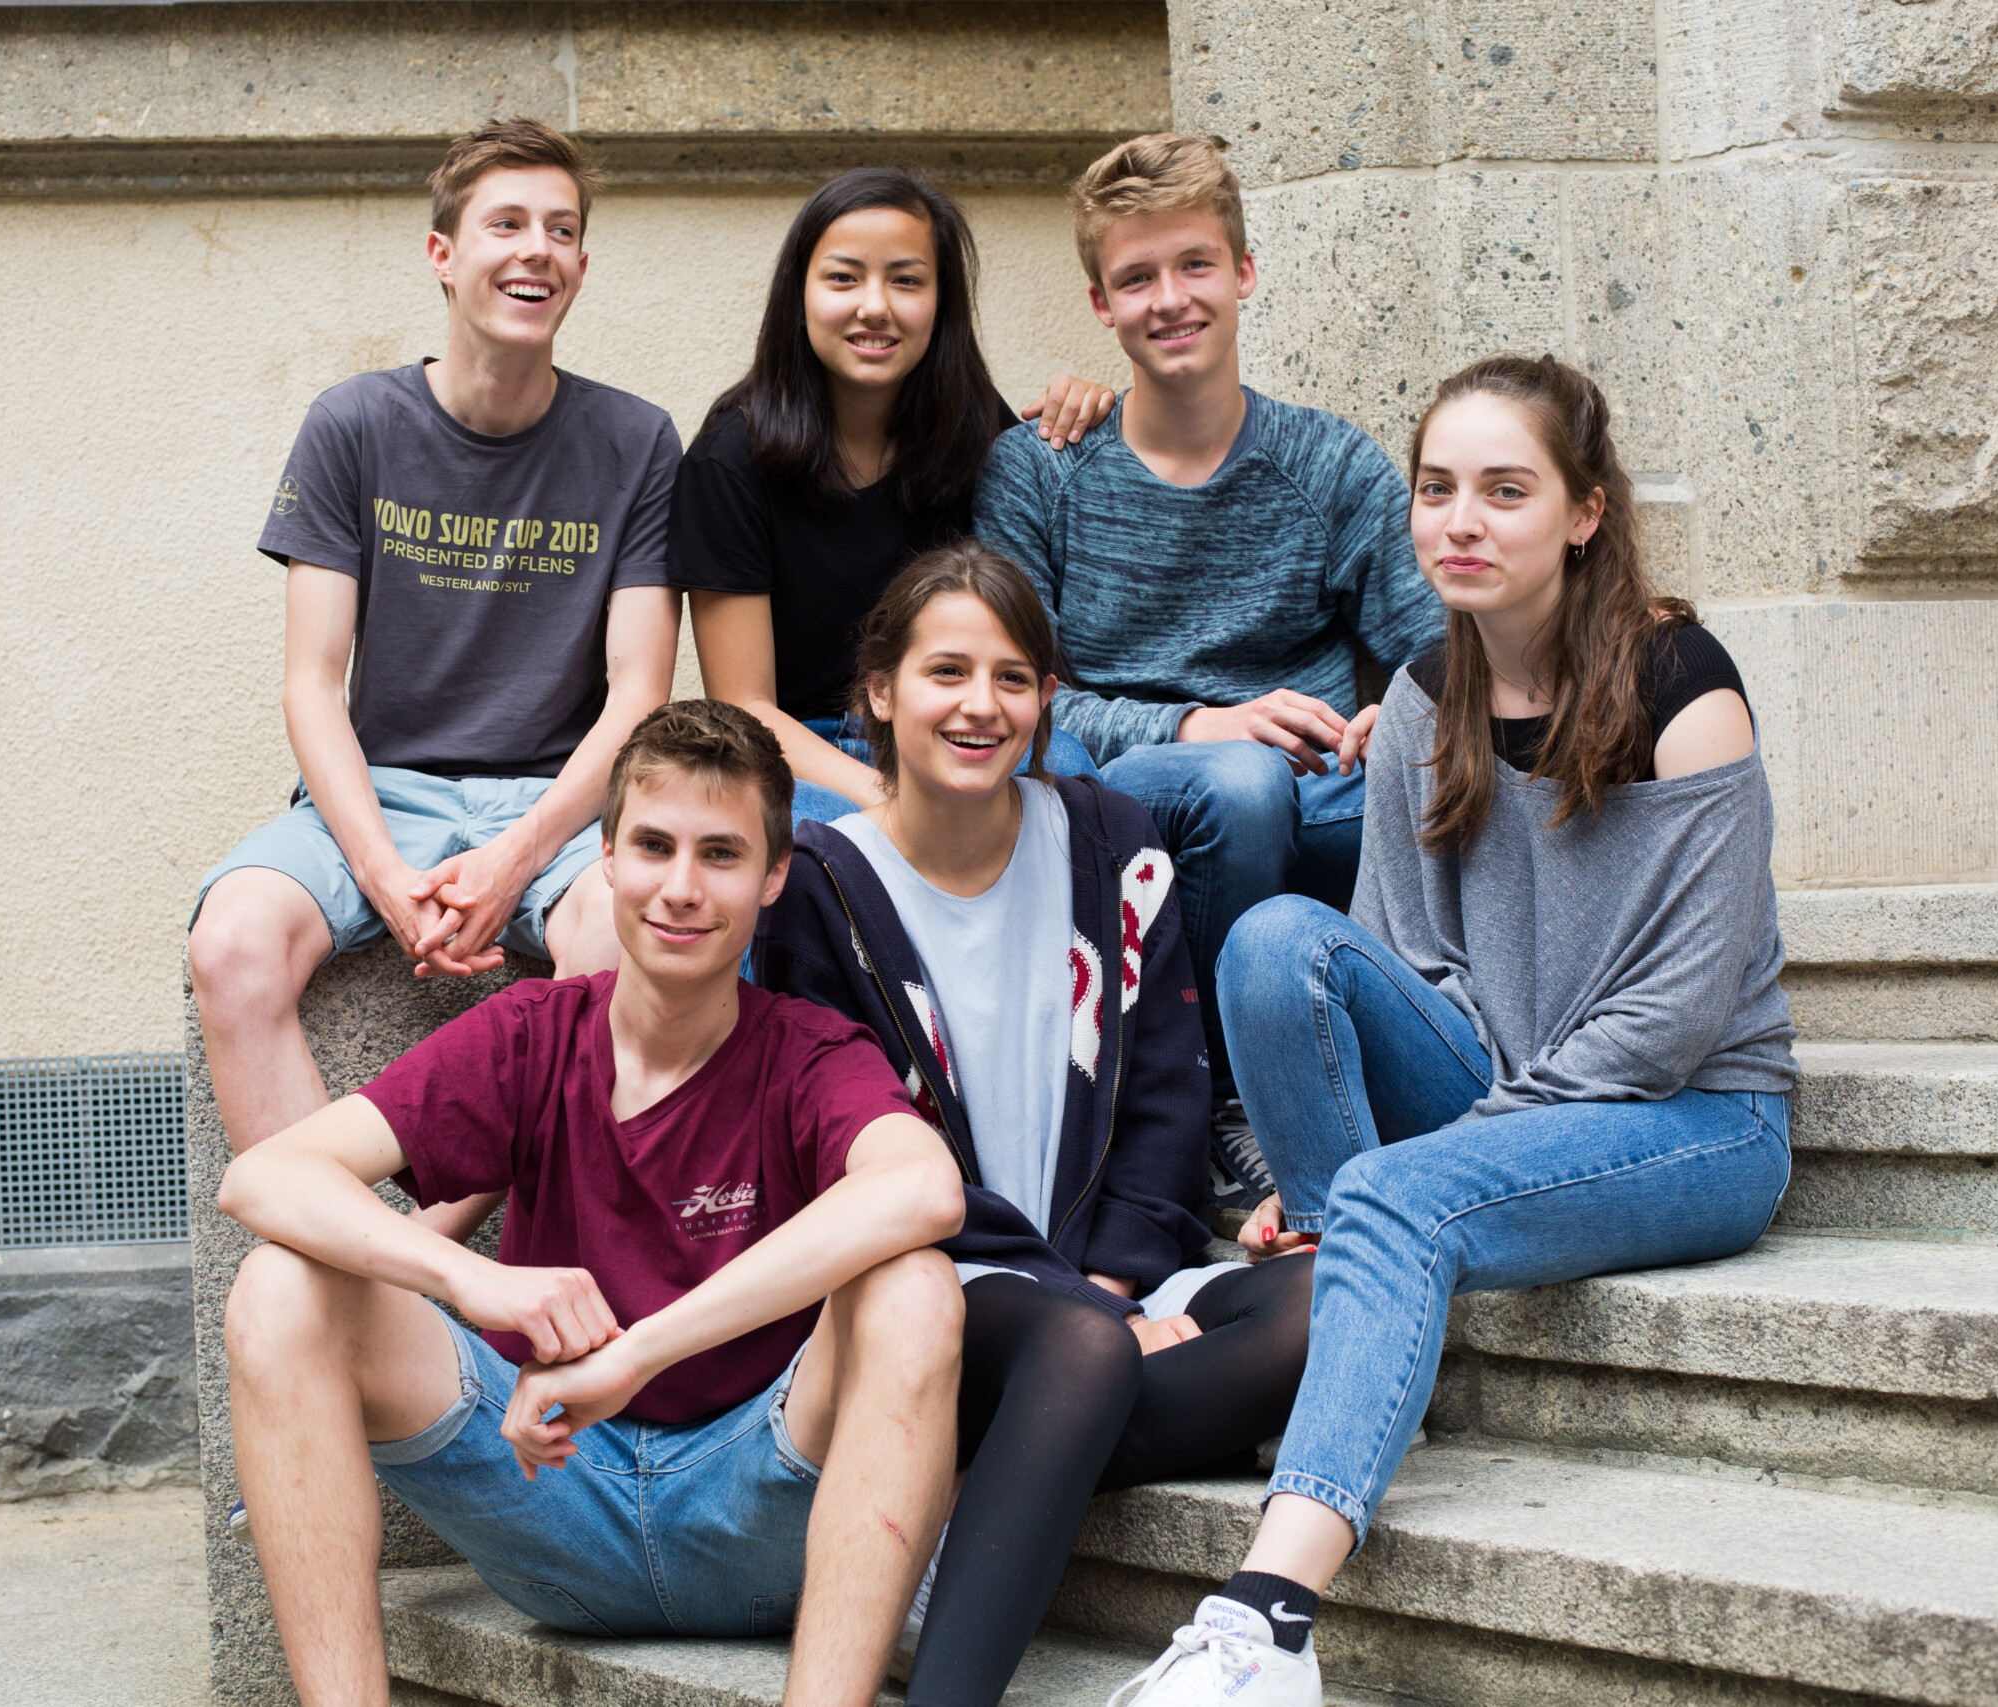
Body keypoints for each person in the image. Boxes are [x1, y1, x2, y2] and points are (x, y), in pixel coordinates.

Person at [1108, 354, 1797, 1707]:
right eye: (1436, 489)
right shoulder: (1427, 697)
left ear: (1585, 511)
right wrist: (1422, 1148)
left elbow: (1672, 1018)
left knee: (1396, 1196)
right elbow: (1406, 955)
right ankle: (1347, 1299)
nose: (1460, 519)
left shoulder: (1685, 688)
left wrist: (1419, 1166)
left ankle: (1265, 1620)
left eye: (1505, 489)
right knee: (1271, 940)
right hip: (1505, 1078)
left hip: (1698, 1118)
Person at [217, 700, 969, 1707]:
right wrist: (471, 1279)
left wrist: (635, 1354)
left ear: (774, 875)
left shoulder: (808, 1054)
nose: (681, 888)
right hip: (549, 1496)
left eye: (721, 854)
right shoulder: (531, 1034)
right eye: (653, 846)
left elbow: (922, 1185)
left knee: (916, 1289)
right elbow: (261, 1178)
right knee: (278, 1289)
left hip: (761, 1511)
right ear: (607, 856)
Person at [752, 543, 1319, 1707]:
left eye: (1014, 677)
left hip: (1095, 1293)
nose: (981, 705)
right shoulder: (823, 882)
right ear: (879, 690)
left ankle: (992, 1470)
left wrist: (1110, 1293)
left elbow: (1168, 1095)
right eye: (945, 671)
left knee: (1336, 1296)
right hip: (932, 1296)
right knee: (1075, 1352)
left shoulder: (1111, 845)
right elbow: (840, 1160)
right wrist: (1081, 1319)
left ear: (1048, 698)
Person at [188, 118, 684, 1155]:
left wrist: (516, 856)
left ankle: (486, 1262)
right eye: (504, 223)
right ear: (443, 255)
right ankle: (328, 1269)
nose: (534, 249)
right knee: (232, 945)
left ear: (581, 268)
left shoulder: (636, 442)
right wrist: (379, 873)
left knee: (624, 947)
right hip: (384, 795)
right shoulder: (354, 424)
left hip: (559, 806)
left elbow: (639, 692)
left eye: (559, 229)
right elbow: (311, 687)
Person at [971, 132, 1447, 1208]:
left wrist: (1404, 716)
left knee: (1442, 788)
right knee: (1234, 784)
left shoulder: (1327, 462)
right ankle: (1223, 1101)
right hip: (1127, 794)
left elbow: (1439, 650)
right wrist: (1194, 728)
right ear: (1099, 302)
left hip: (1315, 794)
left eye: (1193, 266)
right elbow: (1014, 698)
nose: (1169, 299)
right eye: (1136, 278)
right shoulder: (1039, 469)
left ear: (1242, 272)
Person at [672, 166, 1118, 825]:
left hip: (950, 721)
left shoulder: (971, 425)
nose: (875, 305)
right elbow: (748, 707)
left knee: (1070, 775)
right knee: (815, 837)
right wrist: (890, 796)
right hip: (804, 749)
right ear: (800, 292)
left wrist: (1085, 407)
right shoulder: (730, 457)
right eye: (844, 277)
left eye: (906, 280)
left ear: (941, 302)